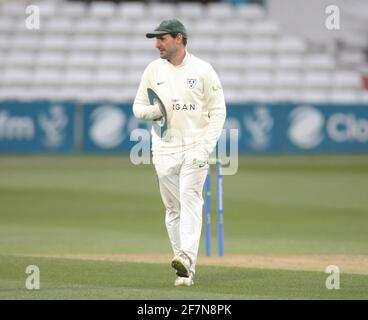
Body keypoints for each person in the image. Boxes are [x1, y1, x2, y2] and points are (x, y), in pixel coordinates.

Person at [132, 19, 226, 286]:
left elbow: (219, 111)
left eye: (162, 39)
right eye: (156, 39)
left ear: (179, 38)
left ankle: (185, 256)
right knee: (173, 208)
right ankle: (185, 268)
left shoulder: (203, 70)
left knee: (191, 197)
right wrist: (155, 112)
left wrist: (207, 145)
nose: (157, 44)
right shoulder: (152, 70)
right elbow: (138, 107)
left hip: (196, 145)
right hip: (163, 148)